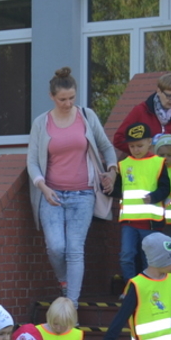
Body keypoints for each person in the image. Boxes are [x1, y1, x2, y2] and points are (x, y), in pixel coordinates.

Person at [27, 67, 118, 304]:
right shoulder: (41, 123)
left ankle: (71, 305)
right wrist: (43, 187)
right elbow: (32, 161)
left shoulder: (87, 116)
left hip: (83, 194)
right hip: (52, 194)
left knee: (75, 249)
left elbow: (106, 147)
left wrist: (112, 171)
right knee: (56, 247)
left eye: (71, 98)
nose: (68, 104)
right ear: (51, 97)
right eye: (62, 99)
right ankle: (65, 283)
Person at [112, 122, 171, 283]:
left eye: (139, 145)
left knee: (149, 258)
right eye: (132, 146)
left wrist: (154, 197)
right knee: (126, 255)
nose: (136, 150)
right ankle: (130, 287)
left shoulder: (158, 162)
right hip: (129, 221)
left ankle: (148, 287)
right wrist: (107, 187)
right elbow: (118, 190)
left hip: (150, 222)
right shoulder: (124, 165)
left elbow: (165, 188)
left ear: (149, 142)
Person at [112, 72, 171, 155]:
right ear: (159, 91)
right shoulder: (140, 110)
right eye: (169, 96)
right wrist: (142, 151)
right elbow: (118, 139)